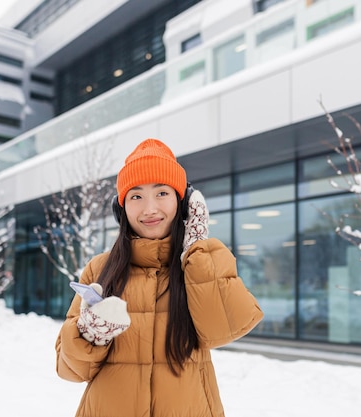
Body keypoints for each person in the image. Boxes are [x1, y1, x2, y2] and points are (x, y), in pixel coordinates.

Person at [55, 138, 264, 416]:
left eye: (162, 193)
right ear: (122, 208)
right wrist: (90, 334)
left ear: (182, 202)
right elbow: (70, 370)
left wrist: (197, 249)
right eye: (136, 196)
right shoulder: (101, 269)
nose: (150, 208)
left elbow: (223, 330)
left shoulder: (201, 262)